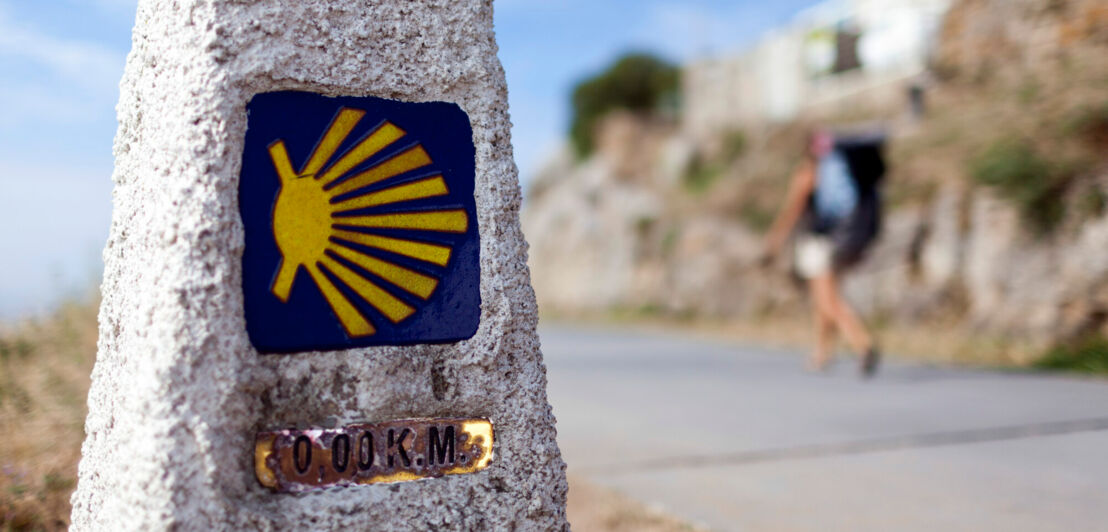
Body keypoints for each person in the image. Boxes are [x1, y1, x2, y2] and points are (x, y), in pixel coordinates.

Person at [762, 128, 884, 377]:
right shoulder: (839, 173)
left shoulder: (807, 174)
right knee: (822, 300)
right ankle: (822, 353)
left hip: (818, 243)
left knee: (827, 300)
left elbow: (792, 211)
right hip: (844, 237)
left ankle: (862, 343)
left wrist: (774, 241)